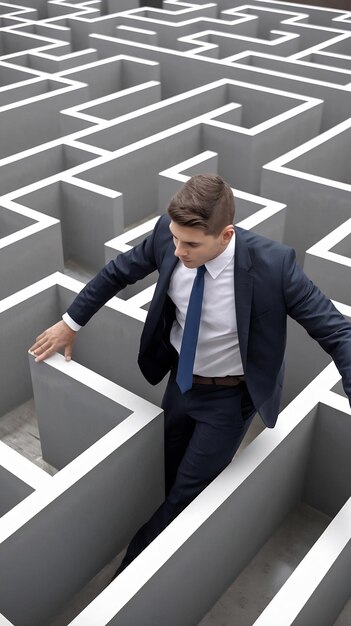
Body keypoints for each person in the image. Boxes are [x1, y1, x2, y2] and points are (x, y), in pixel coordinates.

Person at [30, 173, 351, 576]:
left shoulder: (275, 266)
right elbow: (118, 272)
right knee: (172, 474)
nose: (178, 250)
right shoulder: (169, 235)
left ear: (226, 235)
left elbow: (339, 333)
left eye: (191, 244)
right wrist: (70, 323)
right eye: (176, 239)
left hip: (228, 402)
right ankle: (170, 547)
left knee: (186, 493)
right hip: (180, 385)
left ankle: (128, 573)